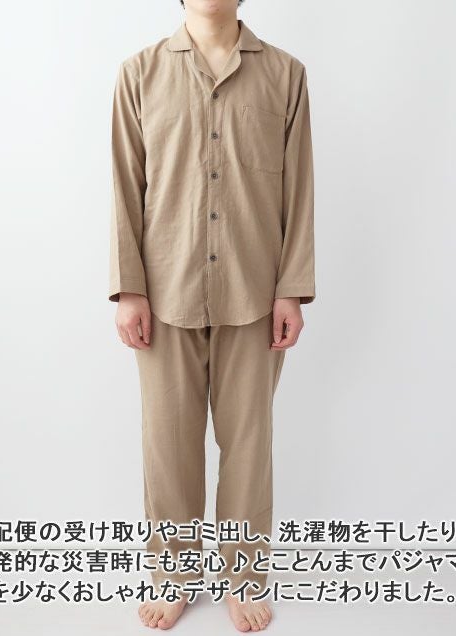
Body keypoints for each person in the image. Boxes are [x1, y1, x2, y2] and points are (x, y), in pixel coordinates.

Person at [108, 0, 315, 630]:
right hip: (163, 290)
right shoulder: (139, 73)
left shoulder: (285, 74)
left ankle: (244, 577)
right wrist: (128, 289)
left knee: (249, 445)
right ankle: (173, 576)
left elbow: (300, 188)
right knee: (168, 445)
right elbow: (125, 186)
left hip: (255, 290)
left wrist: (291, 288)